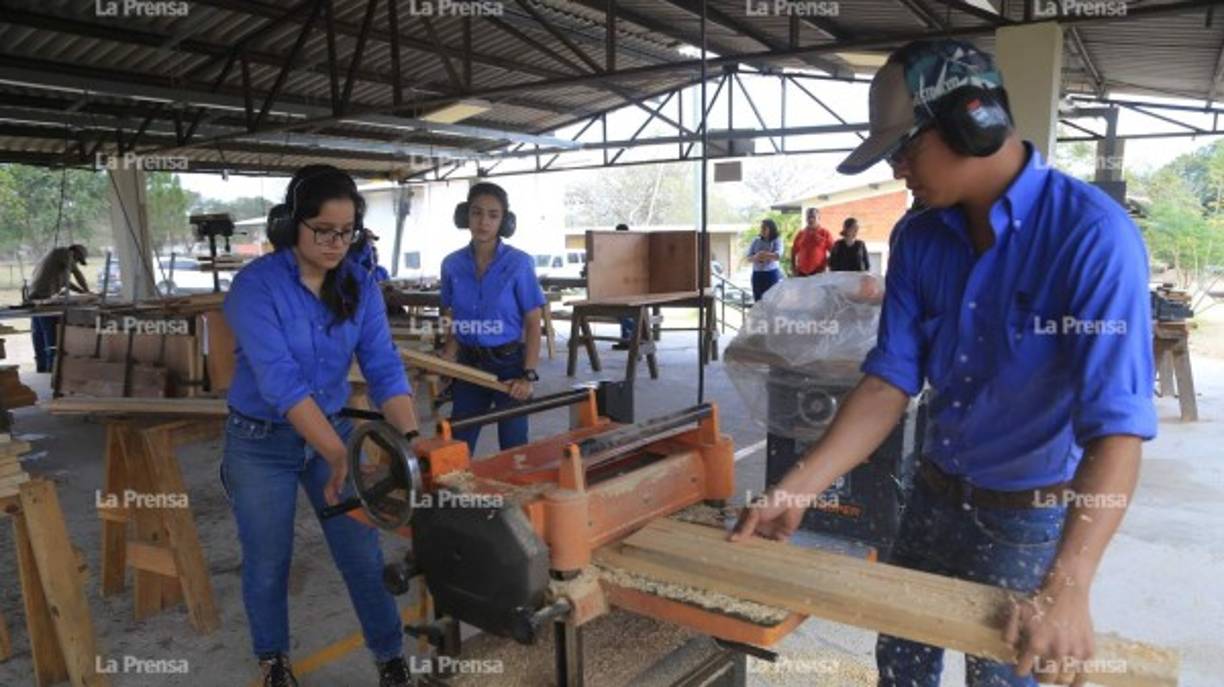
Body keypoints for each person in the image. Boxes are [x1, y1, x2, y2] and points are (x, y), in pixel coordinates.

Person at [732, 40, 1156, 687]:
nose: (899, 170)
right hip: (930, 493)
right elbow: (888, 382)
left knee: (1003, 677)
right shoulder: (918, 235)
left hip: (1028, 517)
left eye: (904, 148)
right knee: (900, 663)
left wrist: (1068, 586)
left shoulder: (1091, 236)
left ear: (972, 118)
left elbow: (1117, 428)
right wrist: (799, 484)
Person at [221, 165, 418, 687]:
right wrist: (338, 455)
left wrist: (416, 446)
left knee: (360, 551)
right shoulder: (254, 287)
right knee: (268, 558)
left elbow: (383, 367)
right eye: (323, 231)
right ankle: (274, 661)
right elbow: (282, 385)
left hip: (329, 429)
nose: (336, 243)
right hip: (259, 444)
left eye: (346, 231)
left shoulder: (359, 284)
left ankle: (390, 656)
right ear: (291, 226)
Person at [439, 182, 546, 453]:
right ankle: (455, 496)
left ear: (505, 222)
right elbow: (451, 316)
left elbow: (534, 322)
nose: (483, 222)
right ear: (465, 216)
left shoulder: (519, 263)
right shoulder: (451, 264)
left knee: (514, 446)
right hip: (468, 365)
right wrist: (447, 359)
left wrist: (528, 375)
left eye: (493, 215)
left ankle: (519, 496)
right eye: (476, 213)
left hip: (509, 366)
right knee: (458, 444)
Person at [26, 244, 89, 373]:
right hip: (43, 297)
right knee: (50, 331)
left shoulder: (58, 261)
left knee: (39, 332)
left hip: (35, 296)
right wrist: (88, 291)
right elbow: (77, 273)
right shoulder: (63, 253)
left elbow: (67, 283)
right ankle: (51, 365)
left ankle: (42, 365)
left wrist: (83, 292)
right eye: (77, 260)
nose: (76, 263)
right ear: (75, 252)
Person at [612, 222, 637, 350]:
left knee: (621, 313)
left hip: (625, 284)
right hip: (628, 284)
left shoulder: (622, 246)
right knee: (624, 312)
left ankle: (638, 332)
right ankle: (626, 339)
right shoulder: (630, 244)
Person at [747, 218, 784, 302]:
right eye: (761, 227)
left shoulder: (777, 240)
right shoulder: (756, 240)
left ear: (771, 229)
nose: (762, 230)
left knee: (772, 301)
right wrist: (756, 256)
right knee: (758, 301)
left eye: (764, 228)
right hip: (757, 274)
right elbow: (748, 258)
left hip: (771, 274)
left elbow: (778, 256)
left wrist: (764, 255)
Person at [790, 207, 833, 276]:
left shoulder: (825, 233)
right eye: (808, 217)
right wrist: (793, 267)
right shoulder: (801, 233)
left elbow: (834, 253)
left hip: (819, 273)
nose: (810, 219)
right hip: (801, 273)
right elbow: (793, 252)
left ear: (819, 218)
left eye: (813, 216)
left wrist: (825, 264)